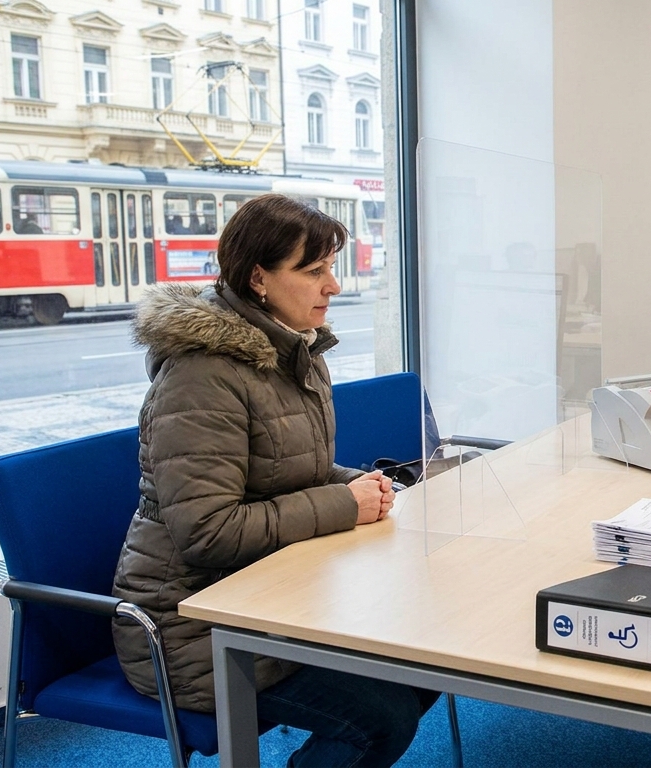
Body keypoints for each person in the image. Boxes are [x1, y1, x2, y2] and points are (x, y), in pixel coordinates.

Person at [111, 194, 439, 767]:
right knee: (381, 718)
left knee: (431, 661)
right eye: (313, 272)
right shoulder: (201, 376)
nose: (332, 287)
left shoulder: (293, 349)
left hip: (282, 595)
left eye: (331, 268)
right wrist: (342, 501)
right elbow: (208, 531)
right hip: (196, 627)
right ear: (258, 278)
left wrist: (362, 484)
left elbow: (290, 471)